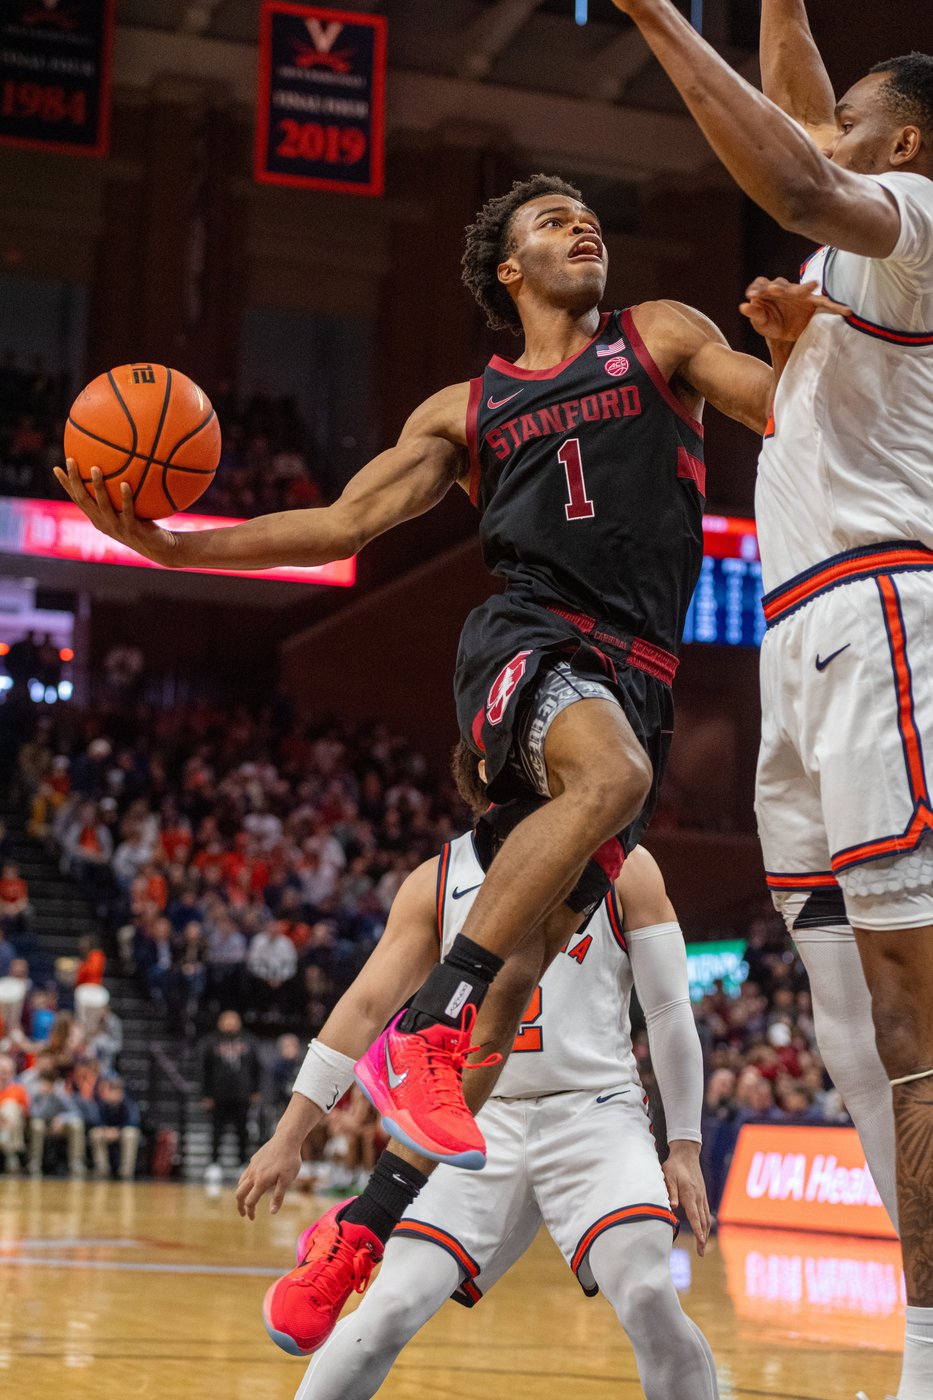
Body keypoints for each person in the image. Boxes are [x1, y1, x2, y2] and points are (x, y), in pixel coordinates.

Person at [55, 173, 834, 1174]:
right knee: (615, 781)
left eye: (588, 217)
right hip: (527, 636)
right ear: (512, 270)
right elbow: (341, 523)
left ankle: (366, 1227)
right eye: (554, 223)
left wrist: (792, 349)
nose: (583, 226)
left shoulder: (663, 336)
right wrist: (173, 550)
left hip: (640, 673)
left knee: (522, 968)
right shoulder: (466, 411)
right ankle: (428, 1017)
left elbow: (782, 411)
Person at [605, 4, 933, 1397]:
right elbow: (810, 143)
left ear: (903, 144)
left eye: (850, 113)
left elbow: (797, 167)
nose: (826, 128)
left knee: (914, 1011)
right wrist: (784, 7)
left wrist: (653, 14)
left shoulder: (911, 206)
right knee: (851, 1024)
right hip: (804, 639)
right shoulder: (849, 290)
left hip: (884, 611)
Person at [238, 752, 714, 1396]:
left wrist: (683, 1144)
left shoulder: (625, 863)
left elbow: (669, 1008)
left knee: (647, 1286)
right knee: (388, 1310)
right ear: (493, 765)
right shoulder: (435, 881)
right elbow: (365, 1007)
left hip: (594, 1110)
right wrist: (289, 1133)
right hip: (472, 1119)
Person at [199, 1010, 261, 1170]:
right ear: (220, 1022)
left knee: (242, 1132)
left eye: (233, 1019)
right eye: (226, 1020)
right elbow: (204, 1070)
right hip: (219, 1095)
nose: (230, 1023)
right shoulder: (211, 1042)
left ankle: (242, 1163)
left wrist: (256, 1091)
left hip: (242, 1095)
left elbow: (257, 1068)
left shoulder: (249, 1041)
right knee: (216, 1132)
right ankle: (213, 1164)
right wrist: (206, 1094)